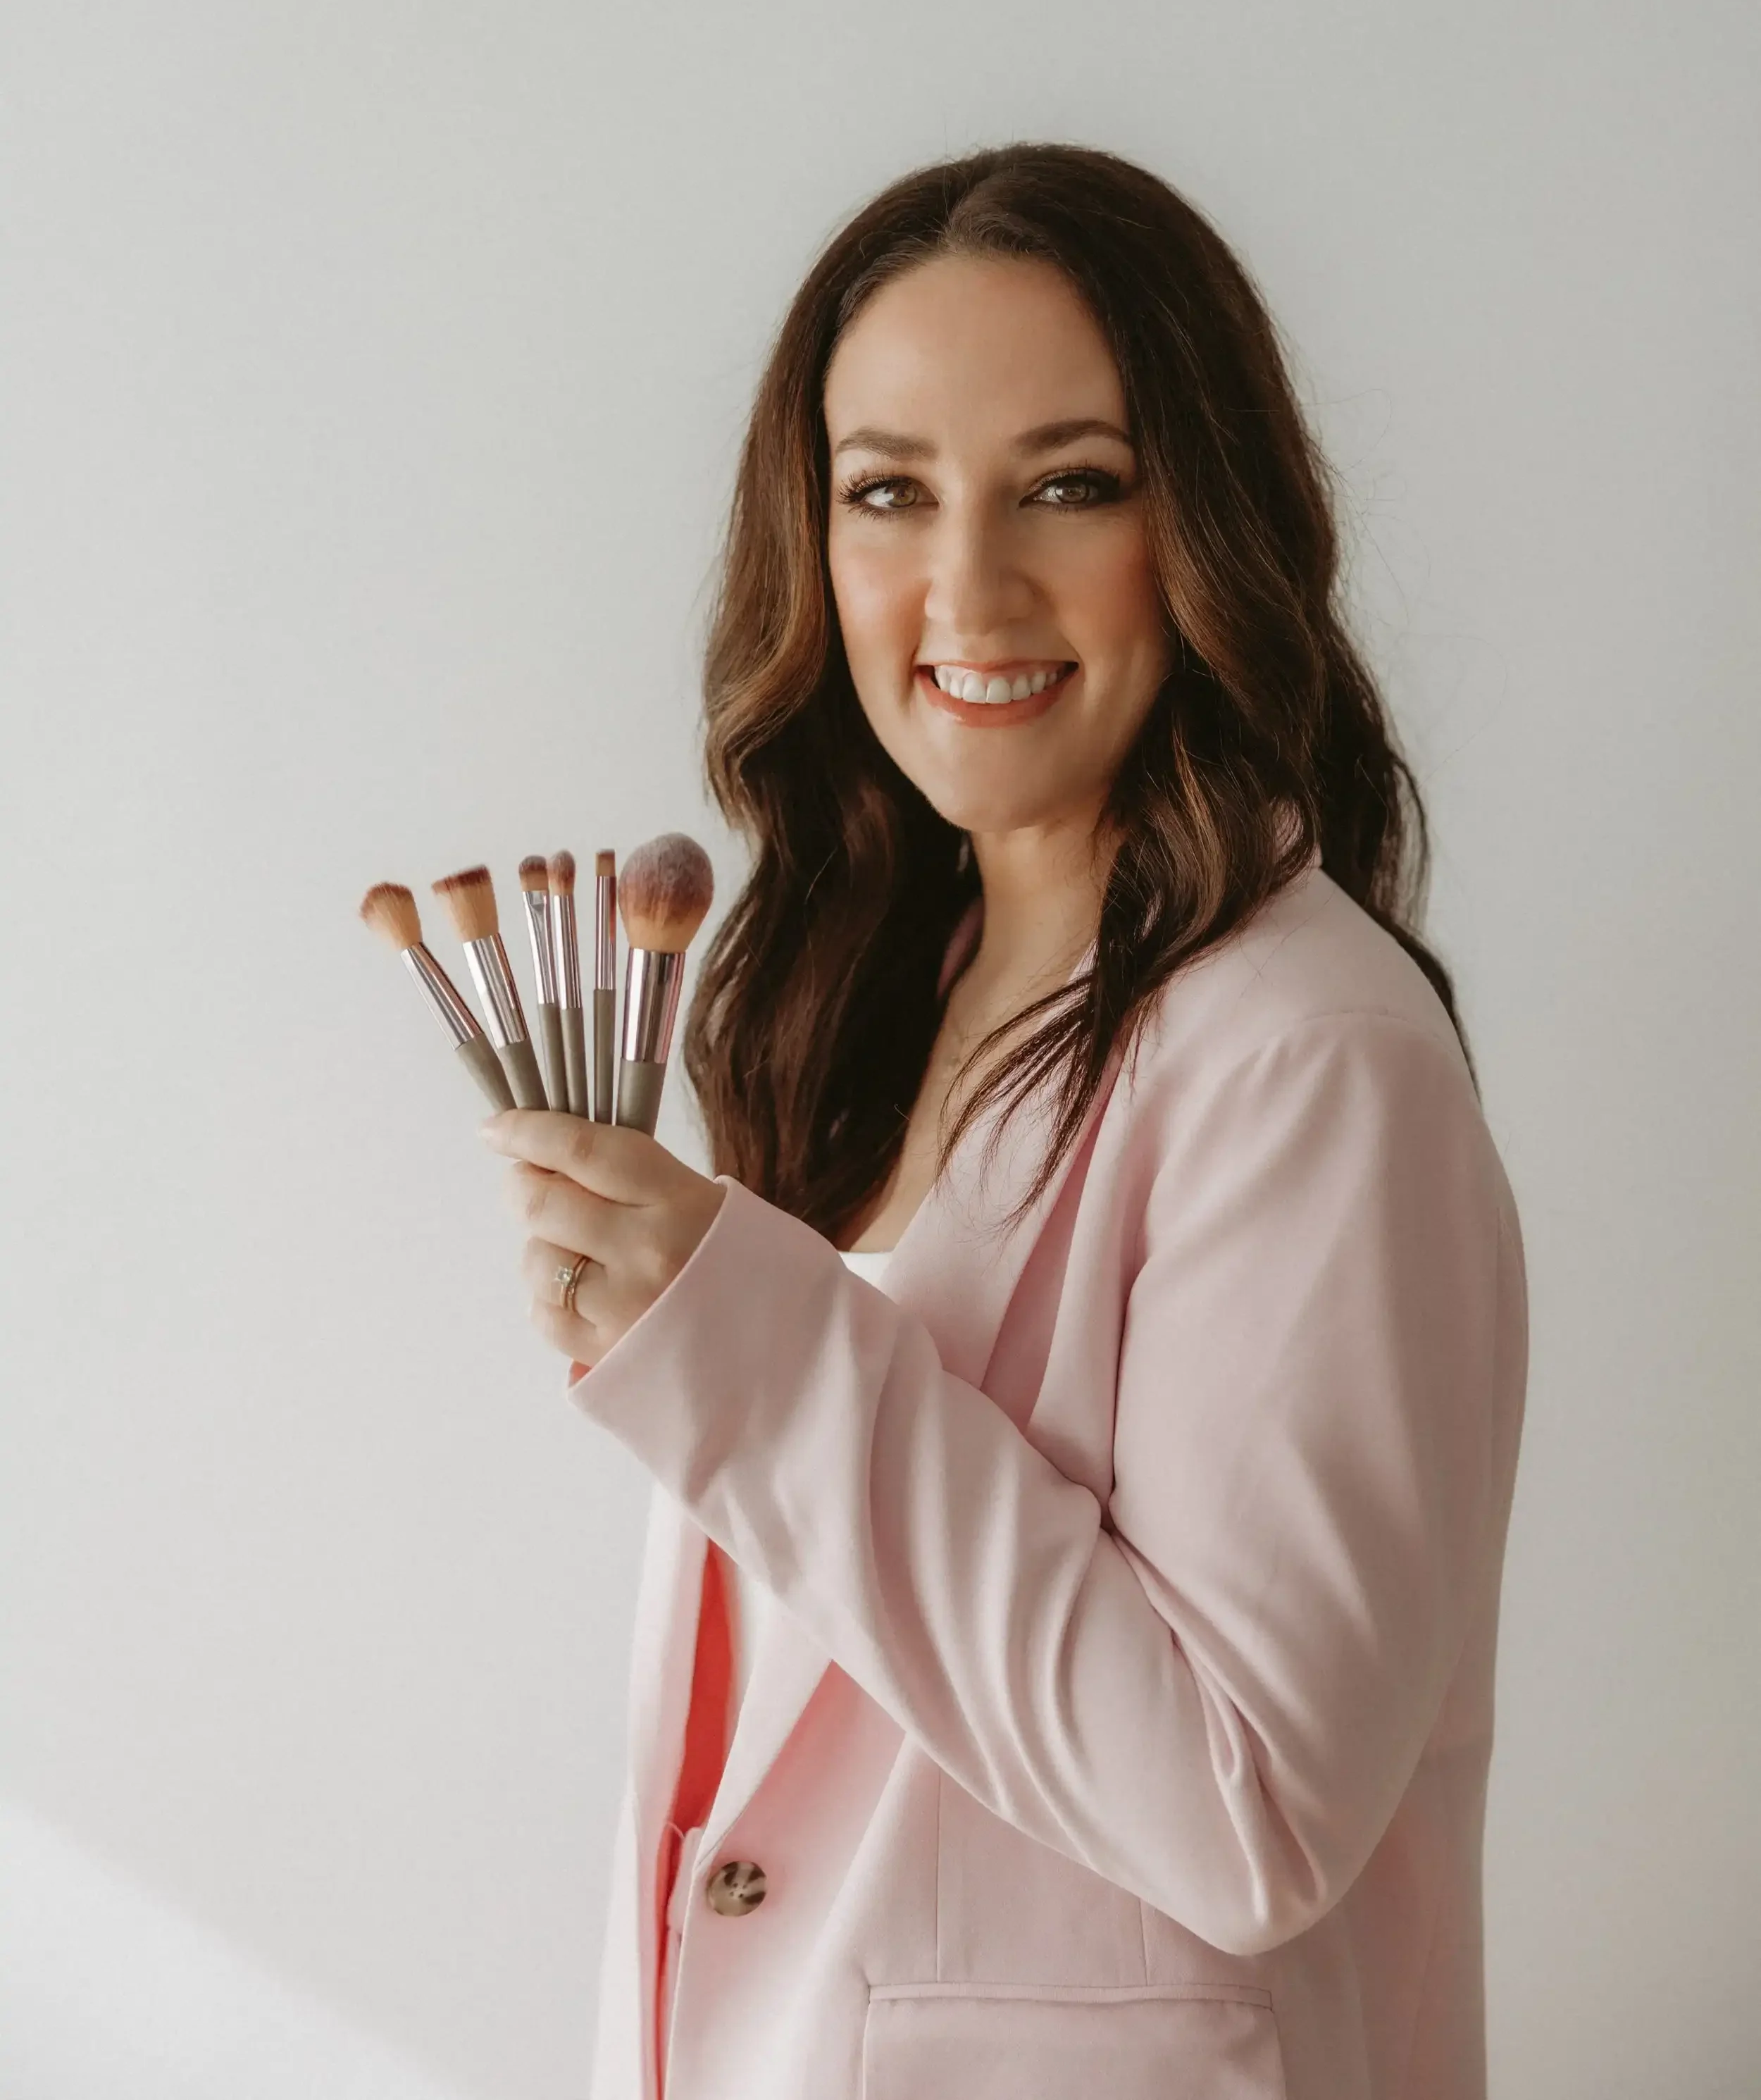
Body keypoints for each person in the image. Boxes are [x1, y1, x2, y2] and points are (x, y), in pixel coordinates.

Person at [480, 142, 1529, 2100]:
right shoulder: (879, 992)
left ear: (1202, 519)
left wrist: (744, 1342)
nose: (967, 587)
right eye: (888, 491)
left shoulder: (1306, 1057)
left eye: (1069, 483)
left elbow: (1246, 1811)